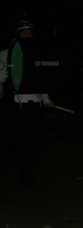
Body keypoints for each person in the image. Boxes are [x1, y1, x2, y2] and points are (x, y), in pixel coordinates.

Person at [0, 20, 54, 184]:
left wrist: (45, 97)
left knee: (31, 142)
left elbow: (42, 79)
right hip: (15, 104)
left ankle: (26, 173)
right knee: (11, 139)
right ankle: (5, 168)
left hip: (34, 104)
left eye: (30, 33)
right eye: (25, 33)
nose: (29, 36)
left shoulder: (38, 53)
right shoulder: (5, 53)